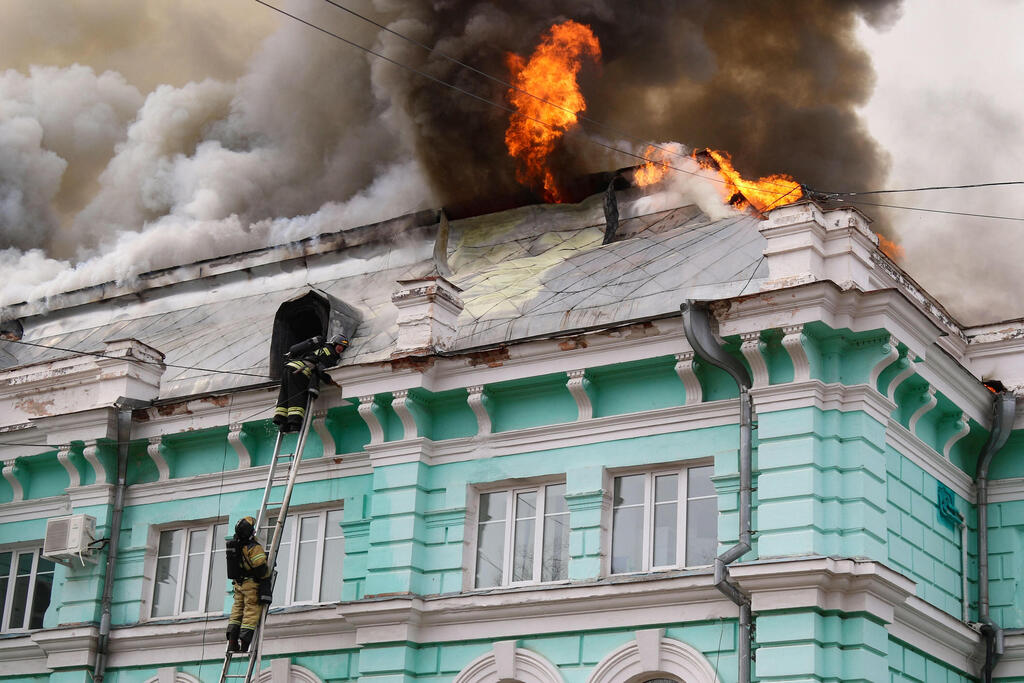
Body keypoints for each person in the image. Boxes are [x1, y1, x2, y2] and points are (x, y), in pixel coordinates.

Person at [273, 333, 349, 432]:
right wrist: (330, 381)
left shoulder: (319, 347)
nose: (341, 349)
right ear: (334, 344)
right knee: (297, 396)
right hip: (300, 371)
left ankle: (282, 421)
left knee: (285, 395)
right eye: (340, 346)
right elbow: (322, 370)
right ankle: (294, 423)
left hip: (289, 368)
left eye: (343, 348)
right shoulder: (330, 353)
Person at [226, 516, 271, 653]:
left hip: (238, 585)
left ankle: (232, 643)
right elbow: (261, 569)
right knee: (250, 614)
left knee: (236, 612)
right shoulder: (253, 548)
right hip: (251, 585)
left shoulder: (236, 545)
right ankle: (245, 645)